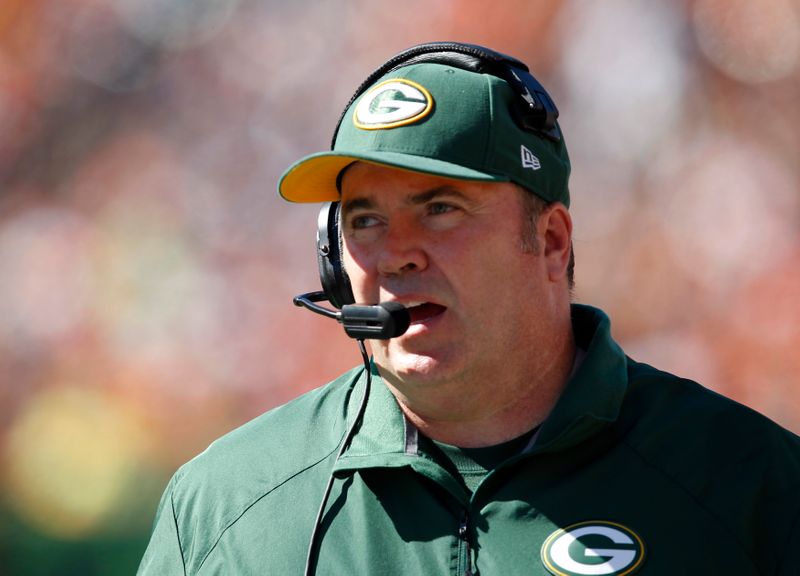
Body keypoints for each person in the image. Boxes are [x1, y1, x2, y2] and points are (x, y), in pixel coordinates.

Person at [137, 42, 800, 576]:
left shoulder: (750, 488)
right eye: (364, 219)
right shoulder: (226, 507)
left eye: (439, 209)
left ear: (550, 241)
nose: (395, 256)